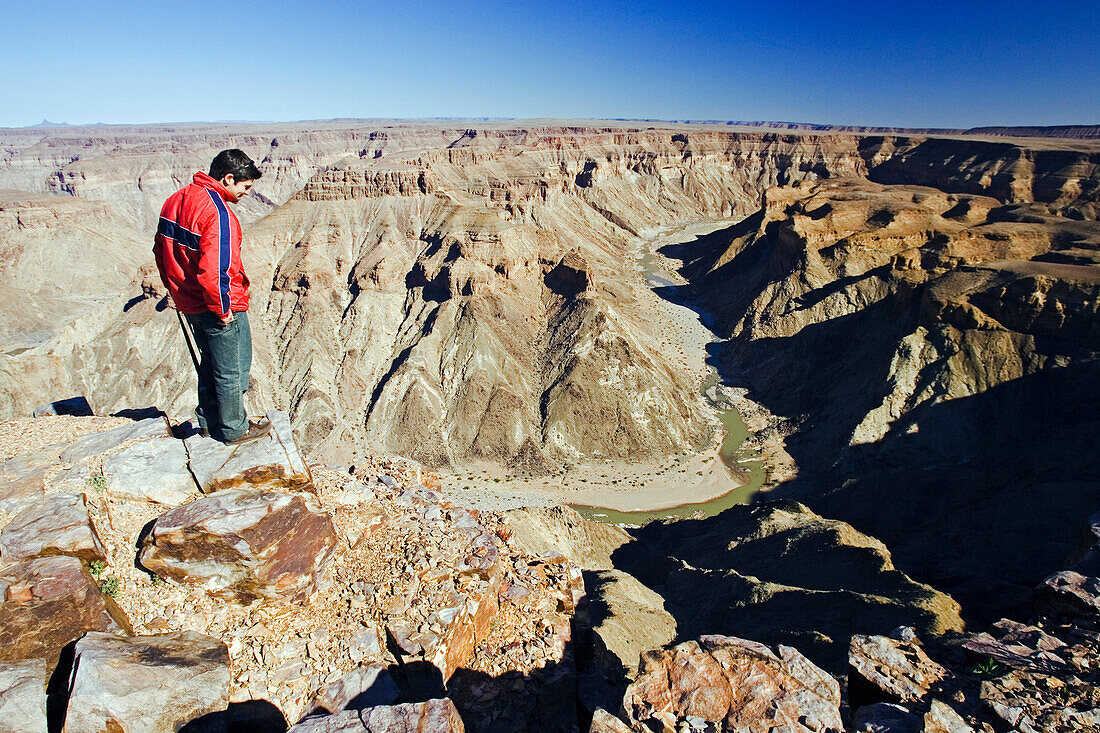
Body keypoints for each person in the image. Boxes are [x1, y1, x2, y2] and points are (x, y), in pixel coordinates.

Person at [153, 149, 270, 444]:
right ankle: (234, 429)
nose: (246, 194)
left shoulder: (176, 200)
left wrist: (173, 287)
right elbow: (215, 269)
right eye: (245, 187)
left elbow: (160, 249)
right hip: (215, 303)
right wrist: (223, 309)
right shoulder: (218, 214)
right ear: (228, 178)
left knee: (209, 363)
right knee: (232, 369)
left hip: (189, 301)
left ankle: (207, 423)